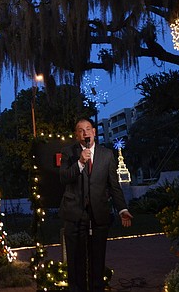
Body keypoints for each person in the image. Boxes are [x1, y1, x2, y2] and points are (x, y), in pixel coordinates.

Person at [59, 118, 132, 292]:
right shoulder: (69, 153)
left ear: (93, 132)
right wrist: (80, 162)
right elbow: (64, 178)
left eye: (88, 129)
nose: (85, 133)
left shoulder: (106, 154)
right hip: (75, 214)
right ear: (77, 135)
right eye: (81, 130)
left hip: (98, 214)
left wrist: (122, 209)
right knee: (76, 260)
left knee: (97, 259)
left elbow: (113, 185)